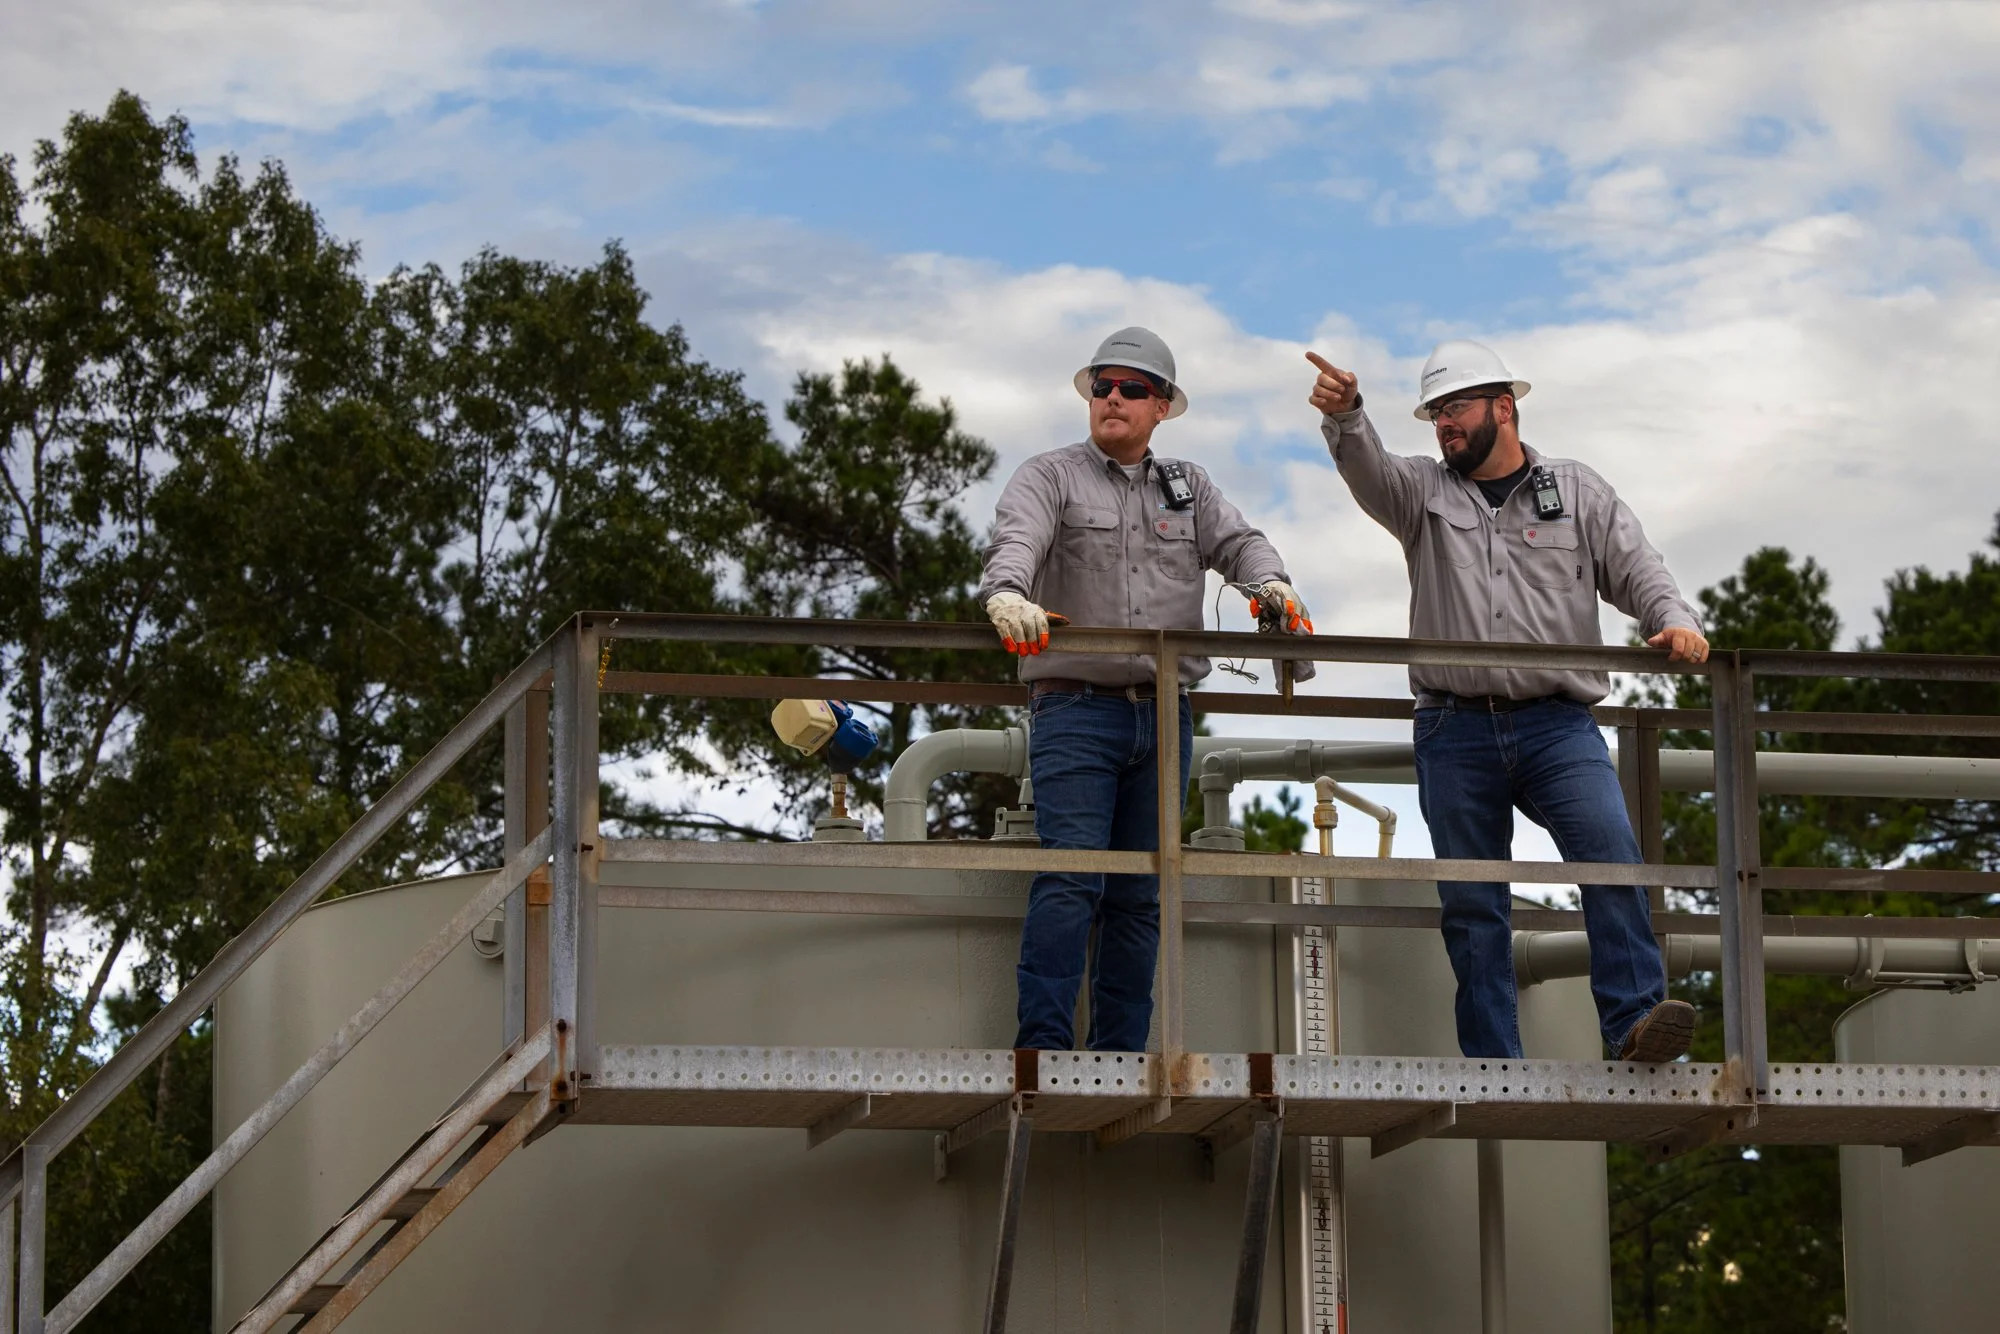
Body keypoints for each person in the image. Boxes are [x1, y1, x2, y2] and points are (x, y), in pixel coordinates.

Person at [1304, 338, 1704, 1063]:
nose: (1443, 425)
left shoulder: (1576, 491)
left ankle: (1634, 1027)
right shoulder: (1422, 492)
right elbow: (1368, 470)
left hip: (1558, 726)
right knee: (1473, 901)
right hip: (1454, 729)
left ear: (1504, 407)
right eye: (1435, 414)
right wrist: (1349, 416)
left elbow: (1639, 566)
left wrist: (1674, 622)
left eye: (1455, 408)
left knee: (1611, 857)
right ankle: (1495, 1062)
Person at [980, 327, 1312, 1052]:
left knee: (1140, 896)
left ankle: (1122, 1057)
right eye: (1103, 385)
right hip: (1074, 708)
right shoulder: (1050, 477)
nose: (1113, 399)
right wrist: (1007, 594)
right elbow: (1016, 541)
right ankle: (1042, 1052)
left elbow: (1242, 544)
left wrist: (1270, 583)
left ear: (1162, 407)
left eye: (1133, 389)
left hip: (1165, 716)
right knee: (1072, 879)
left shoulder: (1188, 487)